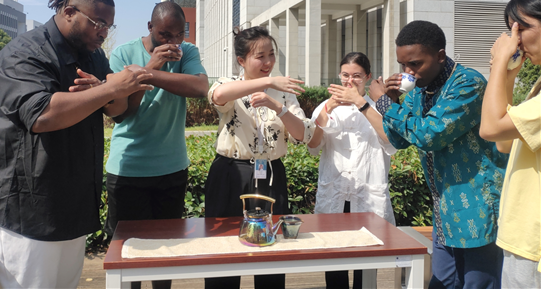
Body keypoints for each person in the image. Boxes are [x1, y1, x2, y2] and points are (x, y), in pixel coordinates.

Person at [0, 0, 152, 289]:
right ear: (68, 11)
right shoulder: (24, 53)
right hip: (25, 207)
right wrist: (109, 90)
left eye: (108, 26)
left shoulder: (93, 56)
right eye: (98, 23)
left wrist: (121, 89)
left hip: (70, 203)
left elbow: (117, 111)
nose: (103, 33)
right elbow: (42, 115)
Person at [364, 20, 508, 289]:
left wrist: (382, 103)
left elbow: (429, 135)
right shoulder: (421, 89)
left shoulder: (468, 84)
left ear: (440, 56)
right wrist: (394, 101)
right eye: (403, 65)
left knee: (478, 284)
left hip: (476, 207)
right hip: (444, 210)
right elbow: (402, 140)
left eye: (415, 64)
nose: (408, 72)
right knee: (441, 284)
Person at [204, 25, 323, 289]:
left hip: (270, 174)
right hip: (230, 174)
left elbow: (303, 134)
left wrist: (278, 107)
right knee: (223, 249)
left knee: (271, 249)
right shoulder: (229, 85)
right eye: (260, 56)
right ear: (241, 61)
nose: (268, 62)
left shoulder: (284, 93)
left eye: (271, 54)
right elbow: (218, 96)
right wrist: (268, 82)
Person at [105, 1, 208, 289]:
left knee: (165, 253)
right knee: (129, 256)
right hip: (128, 170)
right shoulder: (123, 53)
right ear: (150, 28)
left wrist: (145, 74)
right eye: (165, 35)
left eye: (179, 34)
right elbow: (123, 113)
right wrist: (152, 65)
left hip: (172, 169)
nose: (173, 42)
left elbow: (200, 88)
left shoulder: (187, 52)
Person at [309, 52, 396, 289]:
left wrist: (360, 103)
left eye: (357, 76)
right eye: (345, 75)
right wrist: (328, 108)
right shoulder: (326, 107)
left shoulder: (379, 106)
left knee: (366, 262)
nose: (349, 82)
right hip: (335, 193)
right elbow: (313, 144)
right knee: (334, 258)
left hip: (367, 194)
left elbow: (391, 140)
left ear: (367, 77)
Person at [480, 0, 541, 288]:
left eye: (521, 29)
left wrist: (499, 64)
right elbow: (503, 143)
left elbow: (489, 128)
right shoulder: (538, 86)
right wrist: (508, 75)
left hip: (535, 243)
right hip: (522, 237)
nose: (514, 40)